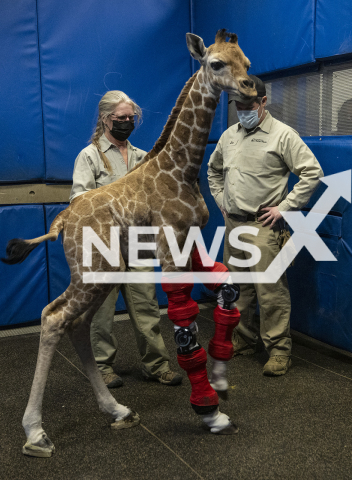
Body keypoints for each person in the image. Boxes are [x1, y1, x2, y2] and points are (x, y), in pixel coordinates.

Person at [207, 75, 324, 377]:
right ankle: (244, 340)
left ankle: (279, 350)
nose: (243, 109)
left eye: (248, 104)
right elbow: (214, 170)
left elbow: (312, 172)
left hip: (263, 226)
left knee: (270, 292)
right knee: (237, 288)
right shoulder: (229, 135)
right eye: (238, 104)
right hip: (234, 224)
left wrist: (285, 208)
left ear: (262, 101)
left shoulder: (282, 135)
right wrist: (222, 199)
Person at [70, 90, 182, 388]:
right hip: (104, 244)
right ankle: (103, 368)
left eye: (131, 118)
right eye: (121, 118)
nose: (127, 123)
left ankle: (156, 365)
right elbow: (78, 200)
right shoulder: (90, 156)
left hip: (138, 243)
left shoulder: (143, 157)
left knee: (147, 307)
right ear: (106, 119)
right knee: (102, 313)